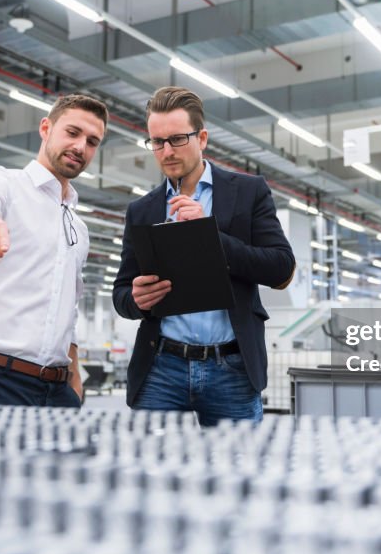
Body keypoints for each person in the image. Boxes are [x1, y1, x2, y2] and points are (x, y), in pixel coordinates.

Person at [112, 86, 295, 425]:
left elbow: (281, 269)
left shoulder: (248, 192)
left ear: (203, 138)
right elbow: (121, 294)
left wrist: (210, 236)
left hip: (232, 368)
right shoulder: (142, 210)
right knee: (153, 474)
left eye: (178, 139)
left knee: (237, 473)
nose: (166, 151)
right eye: (157, 142)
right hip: (161, 368)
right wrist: (135, 299)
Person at [0, 94, 108, 407]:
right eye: (72, 133)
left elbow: (67, 306)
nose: (80, 147)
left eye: (92, 141)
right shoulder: (4, 183)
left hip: (56, 389)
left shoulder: (78, 227)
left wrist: (73, 372)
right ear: (46, 128)